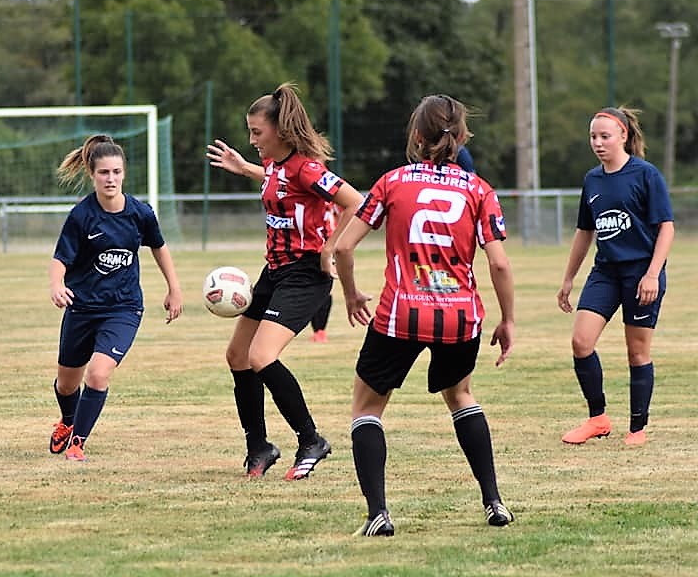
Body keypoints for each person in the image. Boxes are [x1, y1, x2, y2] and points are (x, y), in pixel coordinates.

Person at [334, 94, 515, 536]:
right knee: (461, 396)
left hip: (402, 312)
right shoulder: (479, 190)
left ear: (416, 137)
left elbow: (342, 246)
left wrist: (352, 293)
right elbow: (500, 264)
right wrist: (508, 320)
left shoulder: (392, 182)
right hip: (460, 316)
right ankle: (493, 501)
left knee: (366, 407)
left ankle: (378, 514)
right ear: (462, 138)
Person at [206, 82, 364, 480]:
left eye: (257, 132)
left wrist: (330, 247)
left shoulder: (307, 167)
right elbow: (278, 180)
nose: (252, 139)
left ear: (279, 130)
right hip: (274, 272)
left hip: (306, 275)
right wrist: (246, 168)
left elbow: (355, 202)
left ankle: (311, 439)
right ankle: (258, 446)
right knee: (237, 356)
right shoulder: (277, 165)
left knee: (261, 357)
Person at [48, 134, 183, 462]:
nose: (111, 179)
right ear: (92, 175)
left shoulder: (140, 213)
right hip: (82, 307)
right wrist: (56, 284)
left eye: (116, 172)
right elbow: (60, 259)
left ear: (124, 173)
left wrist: (174, 288)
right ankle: (68, 420)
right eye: (104, 173)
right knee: (67, 385)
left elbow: (158, 246)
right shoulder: (82, 215)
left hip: (123, 308)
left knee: (98, 374)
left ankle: (78, 442)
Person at [556, 106, 674, 447]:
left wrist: (652, 274)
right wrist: (568, 279)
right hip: (605, 271)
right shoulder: (592, 179)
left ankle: (637, 428)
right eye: (593, 136)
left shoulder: (645, 174)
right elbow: (584, 232)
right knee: (581, 342)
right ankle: (598, 419)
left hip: (641, 272)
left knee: (637, 352)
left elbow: (666, 228)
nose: (598, 142)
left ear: (623, 135)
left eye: (605, 136)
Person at [310, 201, 339, 344]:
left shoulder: (336, 198)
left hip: (328, 247)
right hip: (311, 247)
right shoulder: (310, 195)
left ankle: (319, 330)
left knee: (325, 289)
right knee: (310, 290)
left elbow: (347, 214)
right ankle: (317, 330)